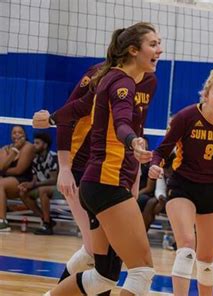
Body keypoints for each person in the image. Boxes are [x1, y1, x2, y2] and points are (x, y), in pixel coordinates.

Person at [44, 22, 162, 296]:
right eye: (153, 44)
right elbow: (122, 122)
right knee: (142, 271)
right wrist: (133, 141)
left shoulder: (108, 77)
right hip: (108, 181)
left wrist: (50, 117)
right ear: (133, 50)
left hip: (97, 183)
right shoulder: (122, 83)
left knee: (104, 278)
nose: (160, 49)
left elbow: (79, 108)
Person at [148, 68, 213, 296]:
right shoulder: (186, 117)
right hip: (182, 185)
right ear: (206, 96)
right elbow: (162, 151)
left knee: (207, 259)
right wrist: (154, 165)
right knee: (186, 246)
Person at [18, 132, 59, 235]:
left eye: (37, 143)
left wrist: (35, 185)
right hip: (41, 187)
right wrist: (27, 184)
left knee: (43, 190)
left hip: (57, 188)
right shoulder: (35, 159)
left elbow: (54, 180)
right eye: (34, 142)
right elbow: (35, 180)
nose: (34, 145)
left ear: (45, 145)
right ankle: (47, 220)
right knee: (23, 192)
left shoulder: (53, 157)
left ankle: (46, 224)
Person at [0, 125, 35, 231]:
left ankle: (2, 221)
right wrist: (15, 149)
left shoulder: (29, 146)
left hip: (23, 181)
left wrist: (3, 171)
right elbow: (2, 166)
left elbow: (19, 170)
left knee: (0, 184)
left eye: (19, 132)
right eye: (14, 132)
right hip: (6, 181)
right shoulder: (5, 148)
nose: (17, 135)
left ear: (25, 134)